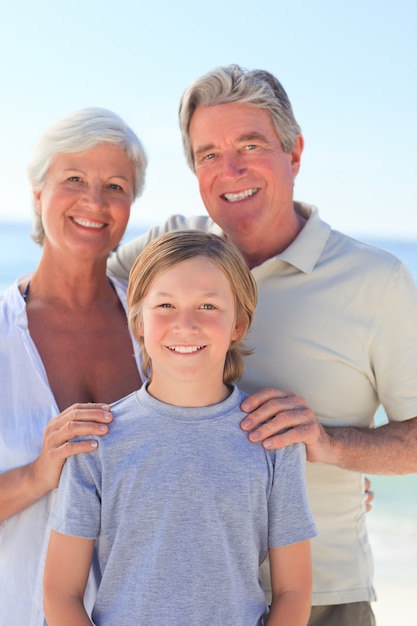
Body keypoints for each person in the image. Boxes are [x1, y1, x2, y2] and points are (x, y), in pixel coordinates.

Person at [107, 64, 417, 626]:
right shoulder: (163, 252)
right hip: (175, 596)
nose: (230, 171)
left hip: (324, 595)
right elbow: (65, 299)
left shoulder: (378, 280)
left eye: (251, 145)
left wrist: (331, 444)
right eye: (207, 155)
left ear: (294, 153)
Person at [43, 230, 317, 626]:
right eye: (166, 305)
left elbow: (294, 591)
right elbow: (60, 593)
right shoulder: (97, 440)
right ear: (138, 320)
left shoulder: (272, 438)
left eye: (207, 306)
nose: (185, 325)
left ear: (238, 322)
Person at [0, 107, 148, 625]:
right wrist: (38, 474)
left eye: (115, 186)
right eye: (74, 180)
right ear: (38, 195)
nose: (94, 201)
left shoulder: (159, 331)